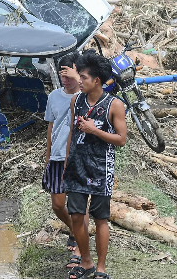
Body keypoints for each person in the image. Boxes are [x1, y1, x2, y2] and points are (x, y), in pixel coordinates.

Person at [63, 53, 127, 279]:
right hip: (77, 166)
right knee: (77, 216)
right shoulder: (76, 101)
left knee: (101, 218)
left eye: (83, 77)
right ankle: (86, 262)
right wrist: (66, 161)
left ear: (96, 80)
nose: (79, 81)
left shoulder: (114, 105)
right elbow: (72, 132)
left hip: (101, 167)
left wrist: (96, 131)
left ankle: (100, 268)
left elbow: (121, 140)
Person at [43, 53, 87, 270]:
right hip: (58, 157)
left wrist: (78, 80)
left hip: (79, 158)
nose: (65, 79)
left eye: (68, 74)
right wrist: (48, 155)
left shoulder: (86, 96)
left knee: (79, 206)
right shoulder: (54, 96)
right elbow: (51, 126)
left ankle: (80, 248)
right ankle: (74, 229)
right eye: (62, 75)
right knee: (58, 205)